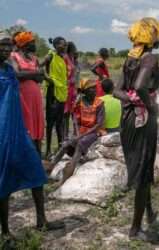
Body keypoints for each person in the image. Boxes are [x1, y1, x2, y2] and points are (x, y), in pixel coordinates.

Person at [0, 31, 64, 242]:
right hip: (3, 132)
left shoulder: (9, 68)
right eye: (3, 45)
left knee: (36, 170)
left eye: (9, 45)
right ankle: (6, 233)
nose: (7, 49)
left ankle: (42, 220)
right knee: (4, 181)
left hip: (17, 128)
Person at [114, 17, 159, 240]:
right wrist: (150, 106)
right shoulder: (149, 58)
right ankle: (135, 229)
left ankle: (149, 212)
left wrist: (133, 101)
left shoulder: (130, 59)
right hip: (142, 120)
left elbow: (117, 91)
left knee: (142, 165)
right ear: (154, 37)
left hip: (128, 119)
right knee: (143, 169)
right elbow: (140, 86)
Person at [47, 78, 106, 186]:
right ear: (85, 91)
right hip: (82, 130)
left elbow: (99, 124)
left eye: (94, 88)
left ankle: (64, 178)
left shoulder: (99, 103)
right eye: (91, 88)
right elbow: (75, 120)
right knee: (66, 144)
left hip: (94, 132)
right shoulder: (80, 102)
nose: (94, 90)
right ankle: (51, 167)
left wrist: (80, 136)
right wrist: (77, 133)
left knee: (80, 144)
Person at [10, 31, 45, 155]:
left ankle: (37, 156)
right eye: (32, 42)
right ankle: (25, 156)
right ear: (24, 44)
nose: (34, 44)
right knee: (26, 123)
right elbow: (17, 74)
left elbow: (41, 78)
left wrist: (31, 75)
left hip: (35, 96)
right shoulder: (14, 56)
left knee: (37, 123)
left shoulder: (33, 58)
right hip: (23, 96)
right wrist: (35, 73)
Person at [42, 37, 68, 159]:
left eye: (65, 45)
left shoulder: (62, 58)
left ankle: (59, 148)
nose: (64, 47)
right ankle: (47, 150)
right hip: (52, 92)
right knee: (50, 123)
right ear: (56, 45)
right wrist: (50, 81)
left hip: (61, 93)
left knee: (59, 123)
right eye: (62, 45)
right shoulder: (50, 56)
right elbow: (39, 67)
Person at [63, 42, 78, 140]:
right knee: (66, 112)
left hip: (73, 88)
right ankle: (65, 135)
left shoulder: (72, 59)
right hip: (66, 88)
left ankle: (75, 134)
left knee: (74, 111)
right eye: (74, 49)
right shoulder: (65, 58)